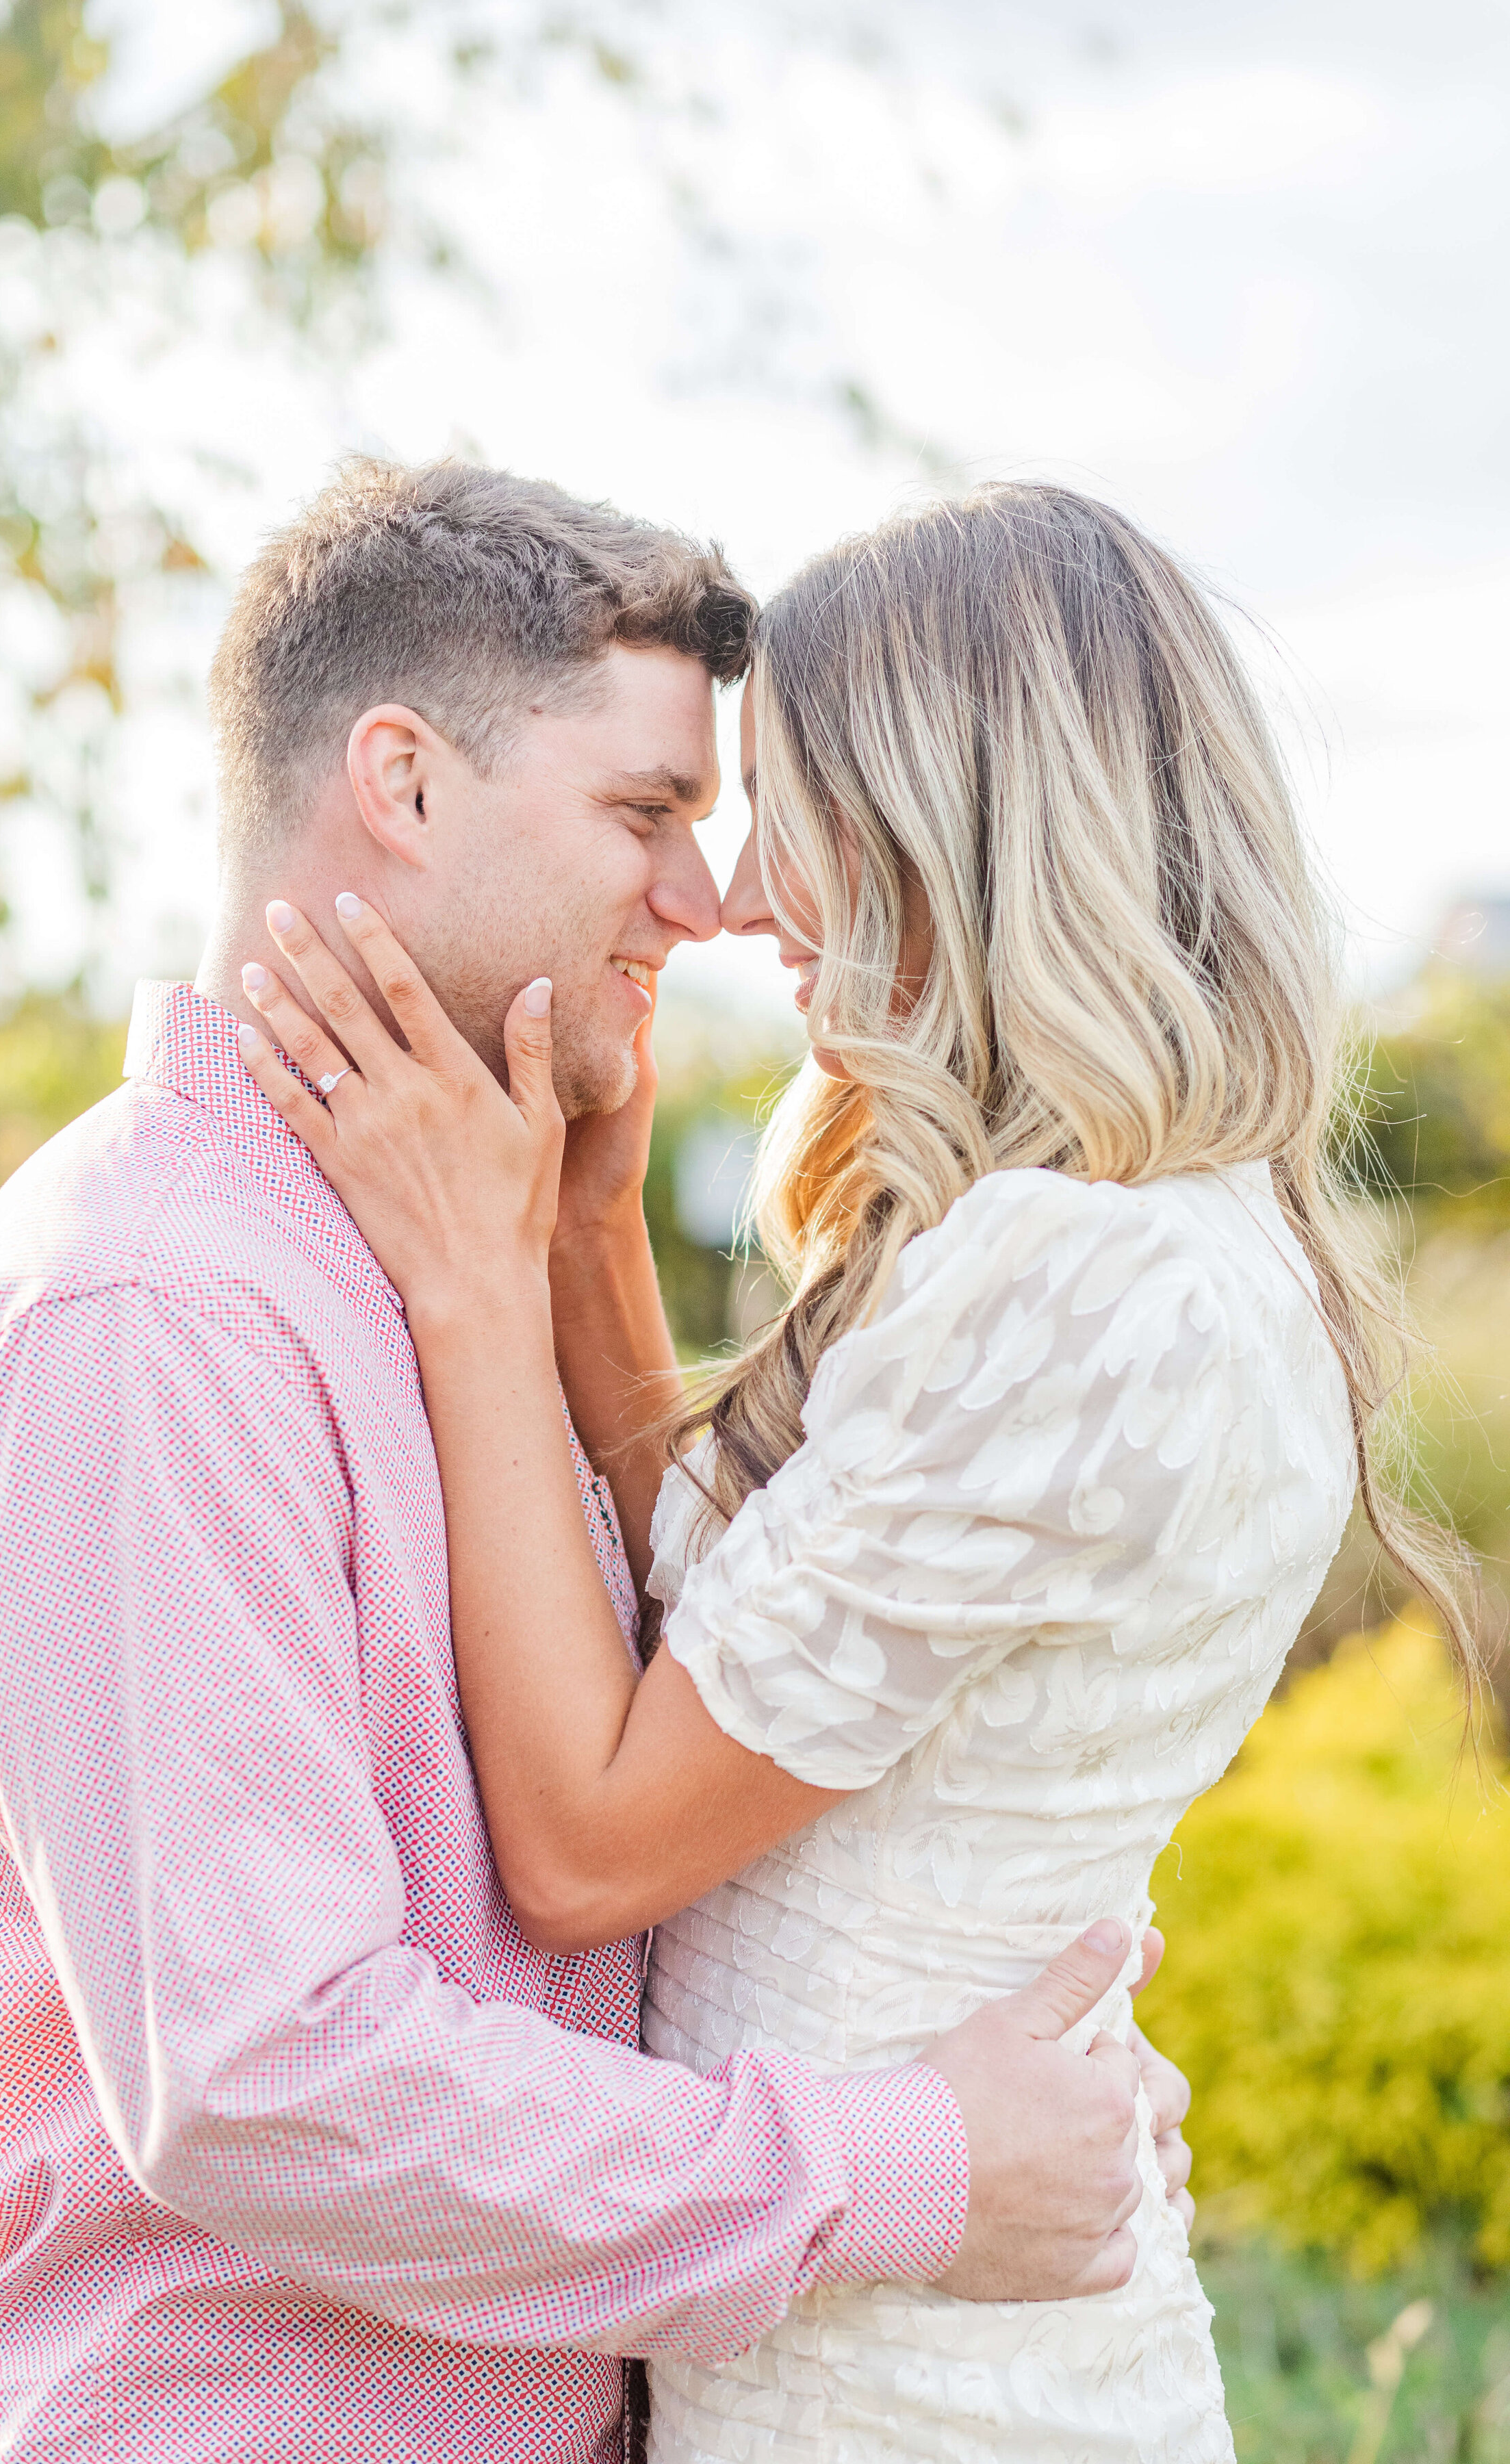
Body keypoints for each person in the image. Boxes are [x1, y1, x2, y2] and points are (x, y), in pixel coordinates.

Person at [0, 462, 1190, 2464]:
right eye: (645, 815)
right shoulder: (146, 1321)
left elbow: (656, 1758)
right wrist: (901, 2160)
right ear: (399, 784)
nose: (707, 899)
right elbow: (268, 2077)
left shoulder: (428, 1256)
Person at [232, 483, 1483, 2462]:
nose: (728, 904)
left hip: (920, 2391)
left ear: (951, 819)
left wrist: (471, 1284)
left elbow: (593, 1836)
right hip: (866, 2334)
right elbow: (718, 1651)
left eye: (781, 816)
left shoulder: (1090, 1292)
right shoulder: (1118, 1238)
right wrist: (585, 1228)